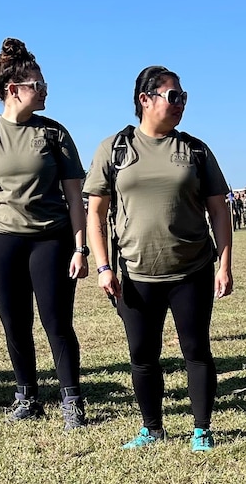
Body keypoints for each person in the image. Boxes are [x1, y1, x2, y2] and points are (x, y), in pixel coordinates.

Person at [84, 65, 233, 450]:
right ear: (145, 99)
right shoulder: (114, 148)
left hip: (192, 270)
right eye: (173, 96)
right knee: (141, 354)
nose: (181, 103)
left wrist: (225, 264)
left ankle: (202, 428)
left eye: (183, 96)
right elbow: (95, 214)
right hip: (135, 273)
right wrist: (102, 267)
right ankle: (151, 428)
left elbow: (219, 211)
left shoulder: (195, 150)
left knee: (196, 350)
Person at [0, 39, 90, 430]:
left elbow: (75, 198)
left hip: (51, 238)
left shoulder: (54, 134)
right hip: (1, 238)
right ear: (13, 90)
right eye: (38, 83)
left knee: (56, 322)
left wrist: (80, 248)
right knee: (14, 323)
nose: (45, 89)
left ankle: (72, 400)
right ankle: (26, 395)